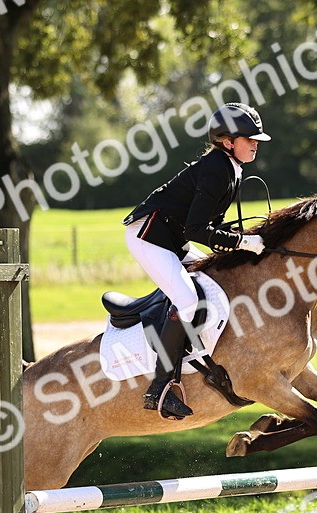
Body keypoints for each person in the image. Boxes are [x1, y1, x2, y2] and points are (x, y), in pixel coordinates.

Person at [122, 102, 270, 420]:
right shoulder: (217, 168)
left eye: (257, 138)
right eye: (249, 138)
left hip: (172, 237)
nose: (256, 143)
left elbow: (210, 226)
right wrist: (243, 242)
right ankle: (158, 389)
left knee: (214, 282)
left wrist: (246, 238)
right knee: (188, 300)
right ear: (227, 141)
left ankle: (195, 355)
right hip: (148, 236)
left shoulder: (232, 168)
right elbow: (198, 229)